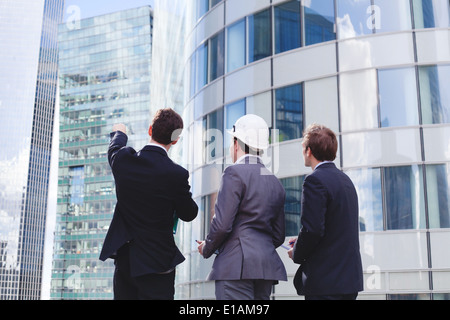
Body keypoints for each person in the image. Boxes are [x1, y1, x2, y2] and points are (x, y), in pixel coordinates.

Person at [99, 108, 198, 300]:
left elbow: (115, 146)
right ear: (175, 140)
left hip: (126, 262)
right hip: (158, 263)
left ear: (150, 130)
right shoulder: (176, 174)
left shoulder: (124, 160)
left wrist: (120, 132)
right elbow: (189, 213)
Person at [197, 114, 287, 300]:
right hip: (265, 269)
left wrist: (207, 247)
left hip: (235, 269)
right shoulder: (275, 183)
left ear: (236, 143)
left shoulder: (233, 173)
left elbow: (222, 225)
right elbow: (278, 236)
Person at [287, 124, 363, 300]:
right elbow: (334, 230)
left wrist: (297, 252)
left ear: (309, 151)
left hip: (326, 283)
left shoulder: (314, 180)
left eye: (303, 148)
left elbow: (312, 230)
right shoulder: (346, 181)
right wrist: (301, 242)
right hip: (348, 282)